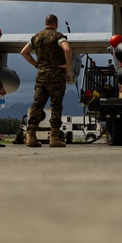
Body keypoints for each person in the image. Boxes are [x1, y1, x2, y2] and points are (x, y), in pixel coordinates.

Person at [21, 14, 73, 148]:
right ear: (56, 23)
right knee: (56, 106)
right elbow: (67, 49)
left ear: (45, 23)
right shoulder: (58, 36)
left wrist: (37, 64)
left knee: (37, 105)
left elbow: (24, 52)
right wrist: (67, 65)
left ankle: (31, 136)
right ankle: (54, 138)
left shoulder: (36, 37)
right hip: (56, 76)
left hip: (41, 76)